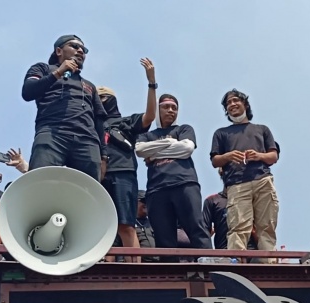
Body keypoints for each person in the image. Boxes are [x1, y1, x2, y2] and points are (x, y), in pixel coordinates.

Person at [135, 94, 212, 258]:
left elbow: (187, 149)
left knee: (196, 227)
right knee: (163, 236)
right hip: (157, 189)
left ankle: (209, 265)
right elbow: (140, 150)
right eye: (166, 107)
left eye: (174, 108)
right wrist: (170, 143)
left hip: (184, 183)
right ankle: (170, 275)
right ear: (158, 110)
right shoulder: (147, 135)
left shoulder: (184, 129)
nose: (171, 111)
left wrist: (154, 153)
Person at [21, 34, 108, 181]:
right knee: (40, 180)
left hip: (87, 141)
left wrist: (104, 156)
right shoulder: (43, 69)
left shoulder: (89, 86)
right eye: (74, 46)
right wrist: (58, 72)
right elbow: (28, 92)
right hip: (52, 134)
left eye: (83, 49)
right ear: (59, 51)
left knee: (89, 189)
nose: (80, 51)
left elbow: (100, 122)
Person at [210, 89, 279, 263]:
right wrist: (228, 156)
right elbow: (215, 160)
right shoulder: (221, 133)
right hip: (236, 184)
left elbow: (273, 157)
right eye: (228, 103)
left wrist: (259, 155)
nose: (232, 105)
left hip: (262, 179)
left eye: (235, 101)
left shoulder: (262, 129)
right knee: (238, 227)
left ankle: (269, 265)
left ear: (245, 104)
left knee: (267, 226)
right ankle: (237, 266)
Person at [97, 58, 157, 262]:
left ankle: (135, 269)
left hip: (123, 173)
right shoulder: (89, 126)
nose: (101, 101)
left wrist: (151, 84)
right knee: (102, 228)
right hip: (97, 177)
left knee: (126, 225)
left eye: (105, 98)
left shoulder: (125, 122)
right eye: (98, 98)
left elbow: (149, 116)